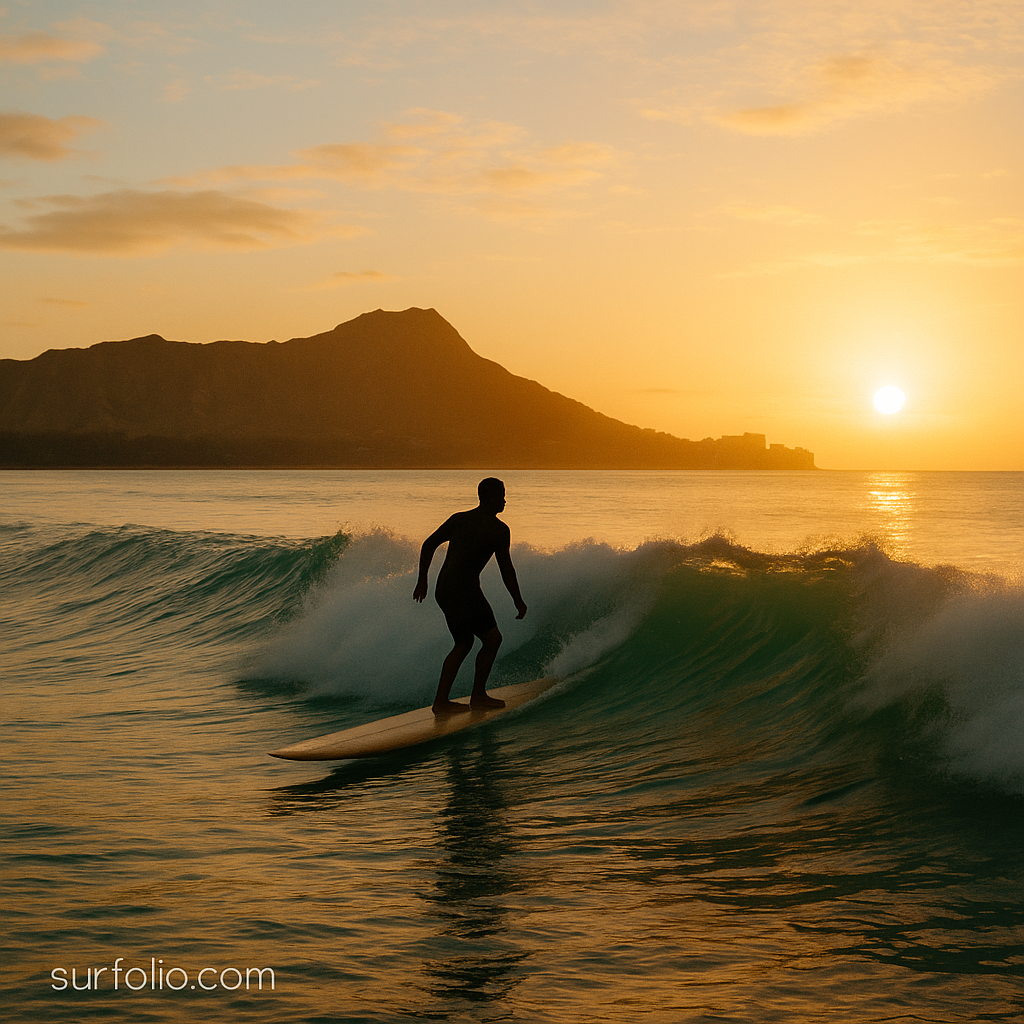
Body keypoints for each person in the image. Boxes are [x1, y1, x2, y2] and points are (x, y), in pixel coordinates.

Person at [413, 477, 528, 714]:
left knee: (464, 642)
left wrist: (423, 579)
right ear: (488, 498)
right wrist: (517, 600)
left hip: (444, 589)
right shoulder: (499, 529)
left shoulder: (459, 519)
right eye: (501, 495)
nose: (505, 500)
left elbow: (429, 543)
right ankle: (477, 696)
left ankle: (442, 701)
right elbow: (506, 568)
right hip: (464, 590)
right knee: (492, 639)